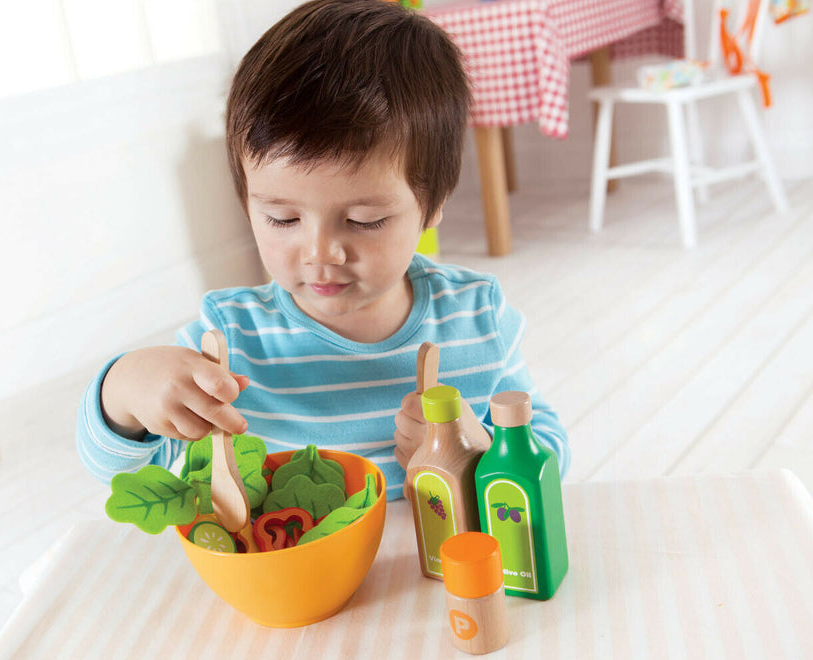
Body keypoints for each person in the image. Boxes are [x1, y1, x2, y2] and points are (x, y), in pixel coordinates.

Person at [76, 0, 569, 501]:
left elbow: (548, 451)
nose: (320, 252)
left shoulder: (475, 315)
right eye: (282, 219)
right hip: (288, 576)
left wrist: (476, 456)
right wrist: (123, 390)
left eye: (363, 220)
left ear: (433, 204)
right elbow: (124, 476)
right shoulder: (226, 342)